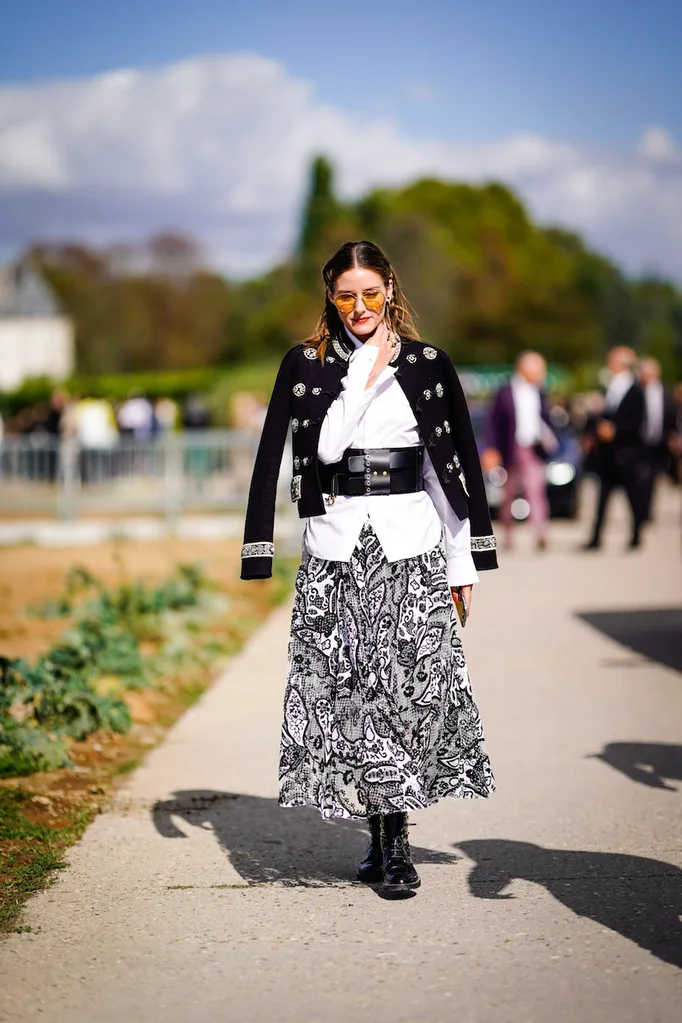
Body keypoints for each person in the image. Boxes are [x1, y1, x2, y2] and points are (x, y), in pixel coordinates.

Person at [241, 240, 496, 894]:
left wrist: (463, 557)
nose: (360, 306)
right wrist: (362, 375)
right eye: (346, 294)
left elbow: (450, 468)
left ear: (391, 289)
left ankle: (395, 843)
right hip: (335, 548)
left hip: (410, 547)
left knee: (403, 696)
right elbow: (317, 446)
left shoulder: (429, 364)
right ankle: (380, 837)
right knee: (352, 696)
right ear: (331, 295)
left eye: (371, 293)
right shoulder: (307, 363)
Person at [482, 352, 557, 551]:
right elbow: (493, 423)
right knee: (509, 493)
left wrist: (550, 437)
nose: (542, 373)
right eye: (539, 368)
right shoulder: (505, 392)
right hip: (510, 448)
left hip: (532, 448)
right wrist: (490, 449)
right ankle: (508, 534)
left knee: (536, 490)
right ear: (524, 368)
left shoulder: (539, 392)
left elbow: (545, 419)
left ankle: (541, 532)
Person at [582, 346, 646, 550]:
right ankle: (596, 538)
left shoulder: (636, 391)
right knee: (602, 499)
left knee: (633, 498)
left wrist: (616, 430)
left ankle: (636, 535)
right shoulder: (610, 388)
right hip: (608, 455)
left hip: (627, 453)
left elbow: (637, 422)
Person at [639, 357, 679, 520]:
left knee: (654, 477)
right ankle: (642, 510)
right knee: (642, 478)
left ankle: (647, 510)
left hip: (660, 442)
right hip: (641, 443)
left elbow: (672, 416)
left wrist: (673, 435)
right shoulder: (637, 392)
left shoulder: (666, 394)